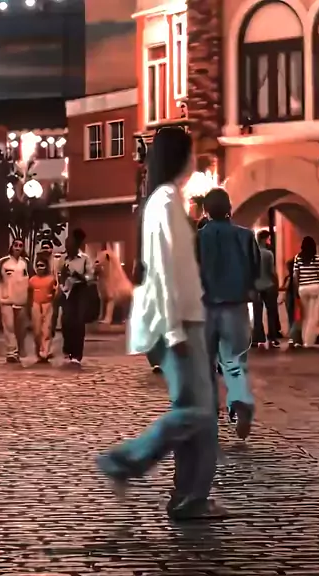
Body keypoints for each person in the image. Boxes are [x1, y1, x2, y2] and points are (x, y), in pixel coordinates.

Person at [97, 127, 221, 521]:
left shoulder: (165, 202)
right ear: (180, 157)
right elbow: (166, 272)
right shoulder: (165, 203)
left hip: (185, 317)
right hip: (179, 320)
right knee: (199, 413)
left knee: (197, 413)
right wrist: (174, 331)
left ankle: (189, 496)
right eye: (192, 153)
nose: (195, 160)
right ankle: (125, 461)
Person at [197, 188, 260, 440]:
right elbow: (256, 269)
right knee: (234, 360)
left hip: (204, 306)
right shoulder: (245, 236)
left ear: (206, 211)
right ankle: (240, 399)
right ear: (229, 209)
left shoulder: (197, 238)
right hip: (235, 304)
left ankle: (209, 413)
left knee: (204, 363)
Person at [0, 238, 33, 363]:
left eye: (20, 245)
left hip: (21, 300)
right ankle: (11, 352)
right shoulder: (3, 262)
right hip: (6, 299)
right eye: (16, 245)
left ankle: (19, 349)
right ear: (12, 246)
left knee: (21, 328)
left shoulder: (26, 263)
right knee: (9, 326)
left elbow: (33, 279)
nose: (18, 248)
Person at [59, 228, 93, 367]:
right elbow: (58, 275)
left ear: (76, 244)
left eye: (70, 241)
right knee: (66, 321)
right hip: (66, 291)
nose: (67, 244)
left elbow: (90, 276)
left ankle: (77, 354)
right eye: (66, 242)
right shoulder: (62, 259)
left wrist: (79, 276)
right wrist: (63, 275)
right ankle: (68, 349)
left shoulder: (84, 258)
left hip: (80, 290)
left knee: (78, 322)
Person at [252, 230, 281, 348]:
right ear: (264, 239)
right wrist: (277, 283)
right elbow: (272, 272)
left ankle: (258, 337)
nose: (269, 241)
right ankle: (272, 337)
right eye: (268, 239)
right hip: (268, 285)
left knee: (257, 314)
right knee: (271, 312)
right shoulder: (269, 254)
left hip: (256, 286)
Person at [293, 236, 319, 348]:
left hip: (302, 288)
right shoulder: (317, 258)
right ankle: (308, 341)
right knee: (313, 316)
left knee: (305, 315)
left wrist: (297, 289)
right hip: (314, 286)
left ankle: (304, 338)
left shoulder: (298, 258)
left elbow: (296, 276)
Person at [29, 254, 57, 362]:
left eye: (42, 265)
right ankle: (38, 351)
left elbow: (56, 292)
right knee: (36, 330)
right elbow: (29, 293)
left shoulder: (51, 279)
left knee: (46, 329)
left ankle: (45, 351)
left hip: (47, 304)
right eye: (38, 266)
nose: (40, 268)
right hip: (36, 305)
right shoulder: (32, 280)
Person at [36, 239, 61, 339]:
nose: (46, 250)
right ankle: (43, 333)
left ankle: (51, 332)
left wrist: (57, 287)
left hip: (53, 287)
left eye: (47, 248)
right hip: (42, 288)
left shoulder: (56, 260)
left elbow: (58, 275)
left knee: (53, 312)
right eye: (44, 248)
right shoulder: (39, 260)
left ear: (51, 248)